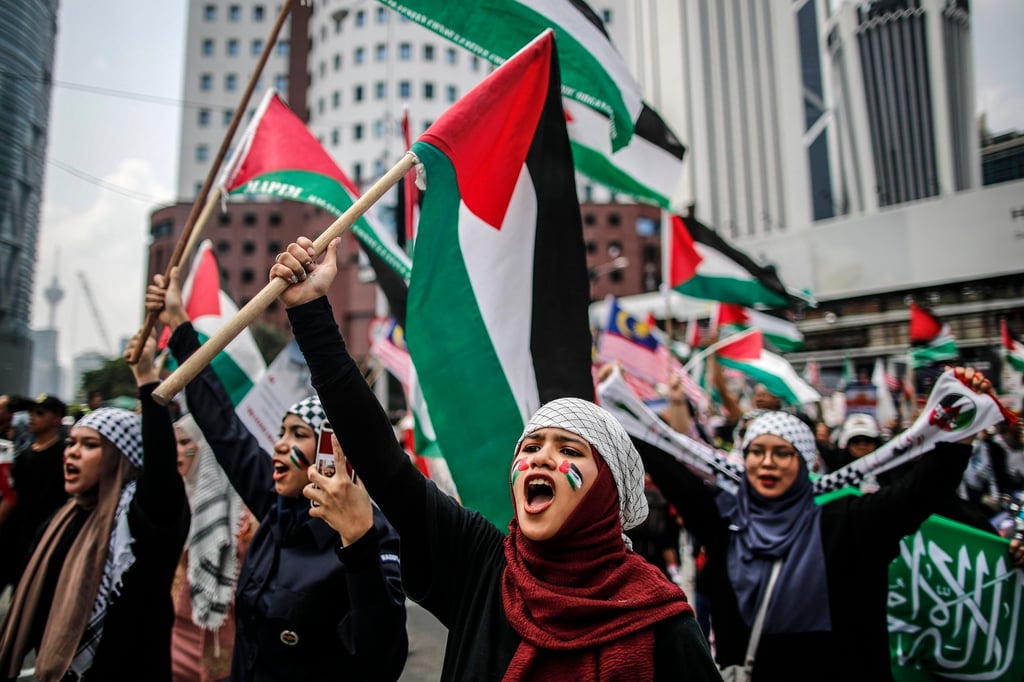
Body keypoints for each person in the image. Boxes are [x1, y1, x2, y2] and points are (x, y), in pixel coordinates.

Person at [272, 238, 720, 680]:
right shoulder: (483, 564)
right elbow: (382, 461)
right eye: (530, 446)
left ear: (606, 489)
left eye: (568, 450)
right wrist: (311, 312)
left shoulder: (660, 621)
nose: (541, 458)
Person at [632, 368, 1003, 681]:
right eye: (757, 452)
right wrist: (625, 412)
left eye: (782, 453)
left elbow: (923, 491)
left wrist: (961, 425)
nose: (767, 464)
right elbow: (671, 472)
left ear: (806, 463)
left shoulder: (849, 522)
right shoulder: (727, 524)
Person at [148, 268, 408, 682]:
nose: (281, 446)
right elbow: (223, 429)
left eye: (299, 435)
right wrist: (180, 326)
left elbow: (382, 658)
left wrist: (359, 544)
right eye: (280, 433)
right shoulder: (274, 508)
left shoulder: (368, 534)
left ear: (331, 452)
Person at [0, 333, 190, 681]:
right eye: (71, 443)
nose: (71, 452)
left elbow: (161, 465)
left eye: (89, 445)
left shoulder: (142, 518)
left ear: (122, 458)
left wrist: (147, 379)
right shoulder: (64, 519)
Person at [170, 414, 255, 682]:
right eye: (174, 443)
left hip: (221, 631)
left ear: (205, 446)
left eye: (186, 442)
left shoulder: (236, 511)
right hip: (177, 630)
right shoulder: (175, 497)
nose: (178, 451)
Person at [0, 395, 71, 594]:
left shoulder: (65, 455)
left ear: (57, 419)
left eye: (40, 413)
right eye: (32, 412)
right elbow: (11, 495)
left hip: (45, 538)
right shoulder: (23, 455)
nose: (33, 417)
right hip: (16, 538)